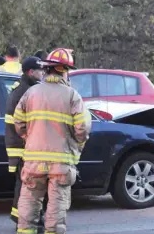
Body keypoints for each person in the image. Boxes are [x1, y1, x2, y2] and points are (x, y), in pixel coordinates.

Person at [13, 48, 92, 234]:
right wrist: (76, 147)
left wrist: (30, 138)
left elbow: (18, 122)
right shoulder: (72, 96)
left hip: (33, 161)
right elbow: (83, 129)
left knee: (29, 203)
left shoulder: (31, 93)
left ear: (47, 69)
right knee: (56, 208)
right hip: (61, 163)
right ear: (65, 71)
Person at [4, 56, 46, 232]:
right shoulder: (26, 92)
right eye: (39, 70)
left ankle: (22, 217)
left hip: (20, 146)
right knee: (27, 187)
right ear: (30, 72)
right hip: (23, 148)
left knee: (23, 186)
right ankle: (25, 220)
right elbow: (27, 123)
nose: (42, 73)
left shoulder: (22, 88)